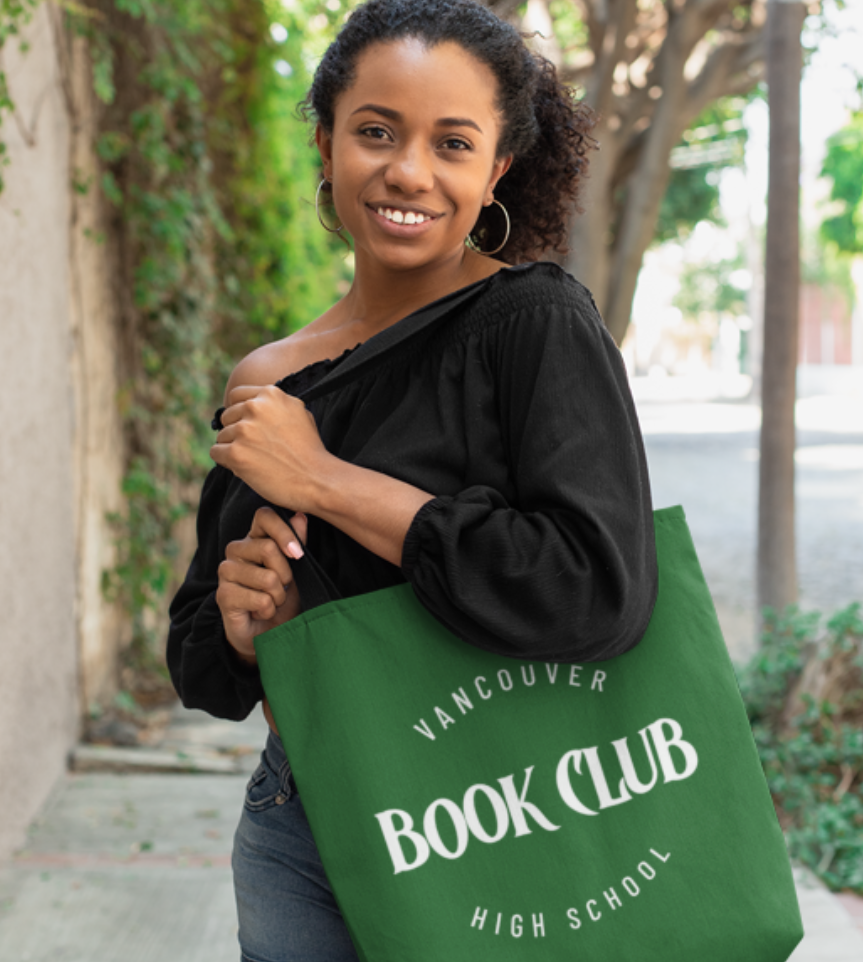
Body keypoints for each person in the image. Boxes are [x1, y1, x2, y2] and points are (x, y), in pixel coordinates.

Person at [167, 1, 658, 959]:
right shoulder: (268, 380)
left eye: (453, 143)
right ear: (326, 142)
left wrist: (326, 481)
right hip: (305, 827)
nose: (408, 172)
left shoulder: (535, 325)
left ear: (497, 170)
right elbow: (201, 660)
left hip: (508, 815)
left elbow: (595, 591)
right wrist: (244, 623)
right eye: (376, 132)